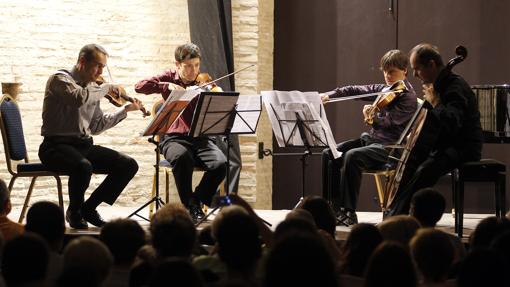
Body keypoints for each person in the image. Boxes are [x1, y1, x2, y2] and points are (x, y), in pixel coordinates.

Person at [38, 44, 142, 229]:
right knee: (83, 166)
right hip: (55, 147)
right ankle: (74, 211)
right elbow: (78, 98)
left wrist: (125, 110)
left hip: (82, 146)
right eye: (98, 65)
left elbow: (96, 126)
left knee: (128, 165)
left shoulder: (93, 88)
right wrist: (106, 88)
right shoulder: (60, 79)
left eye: (103, 67)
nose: (101, 71)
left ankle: (88, 208)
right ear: (82, 62)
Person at [321, 49, 417, 225]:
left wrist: (372, 118)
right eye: (385, 71)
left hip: (391, 148)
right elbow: (354, 90)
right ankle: (332, 210)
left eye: (392, 72)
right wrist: (329, 95)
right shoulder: (385, 90)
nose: (387, 75)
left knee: (352, 156)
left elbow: (389, 123)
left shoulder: (408, 98)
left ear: (405, 71)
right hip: (372, 141)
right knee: (329, 153)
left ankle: (348, 213)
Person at [135, 43, 227, 221]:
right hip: (173, 138)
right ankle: (189, 205)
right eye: (188, 66)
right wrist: (166, 86)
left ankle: (196, 201)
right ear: (177, 65)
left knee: (220, 164)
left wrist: (217, 95)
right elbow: (139, 87)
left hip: (201, 138)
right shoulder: (169, 77)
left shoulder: (204, 81)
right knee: (182, 157)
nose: (193, 71)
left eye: (196, 65)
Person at [388, 43, 483, 216]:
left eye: (417, 69)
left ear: (431, 64)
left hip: (464, 147)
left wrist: (436, 103)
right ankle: (397, 215)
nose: (415, 74)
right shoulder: (439, 86)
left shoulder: (454, 86)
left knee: (425, 171)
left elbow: (453, 122)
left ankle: (400, 217)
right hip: (447, 146)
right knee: (415, 167)